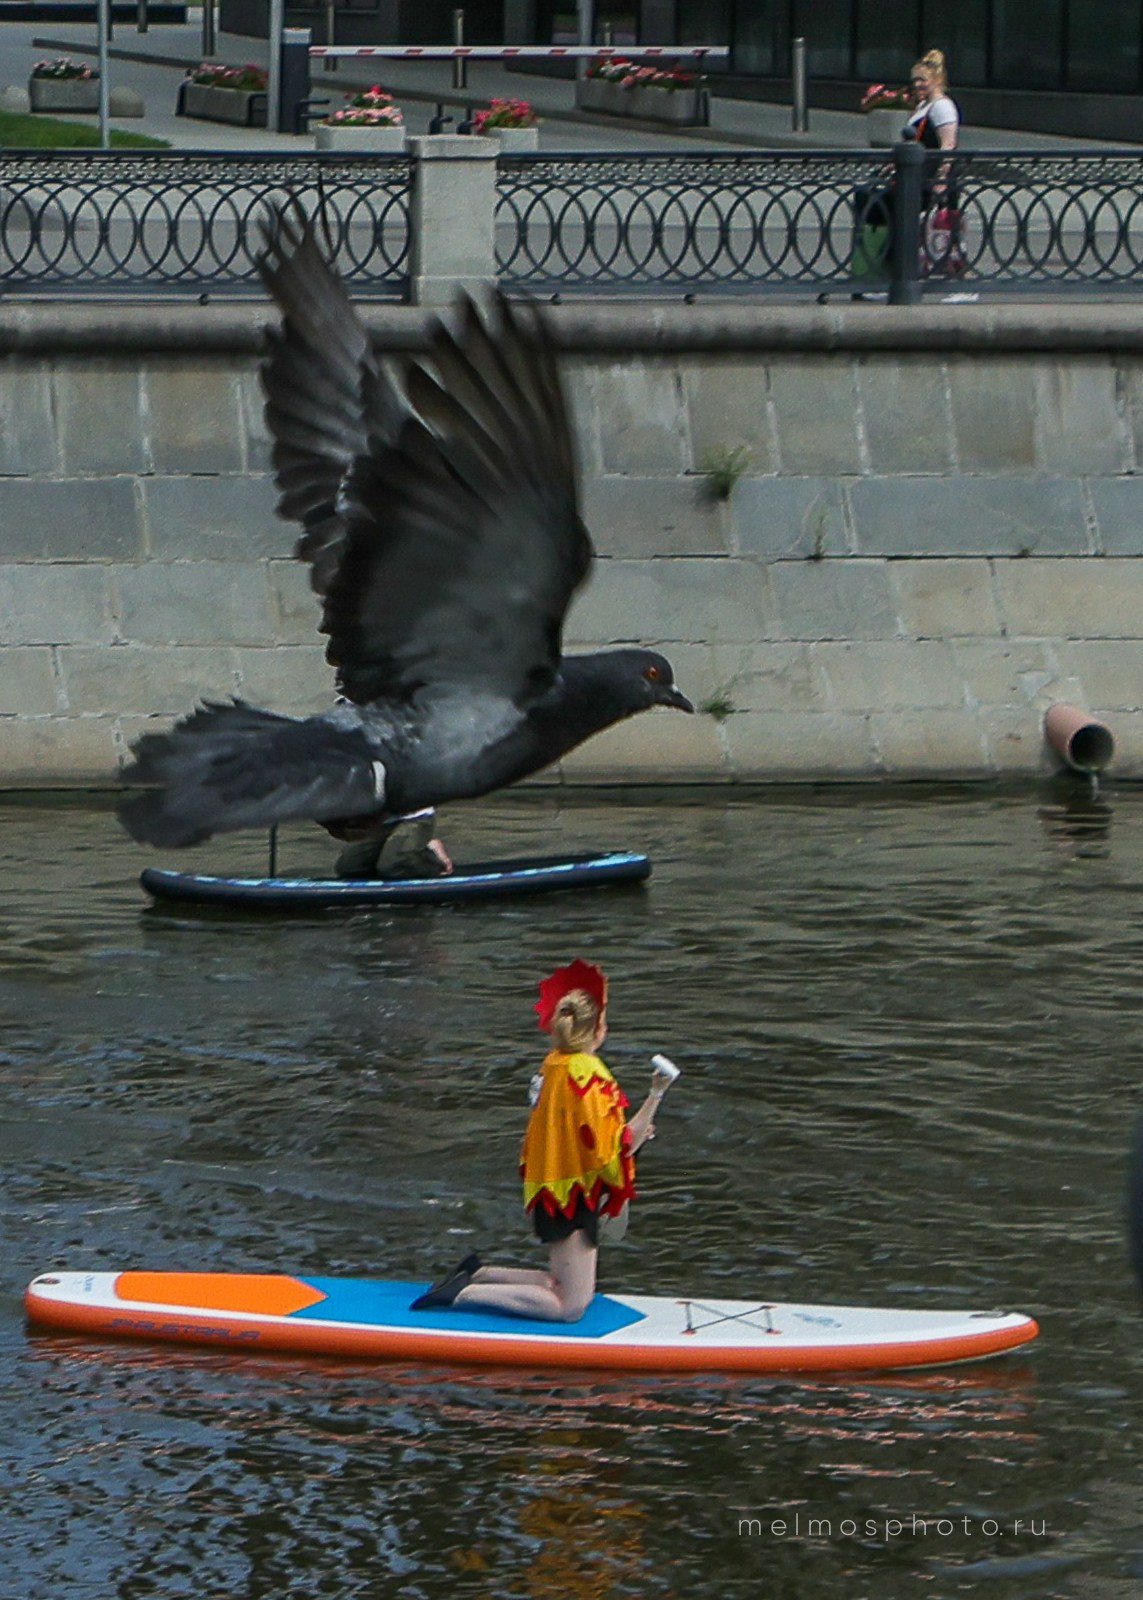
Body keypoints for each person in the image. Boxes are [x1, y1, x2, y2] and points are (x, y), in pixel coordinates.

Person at [411, 958, 676, 1322]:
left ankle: (478, 1273)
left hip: (551, 1185)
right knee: (570, 1306)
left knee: (565, 1285)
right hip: (572, 1194)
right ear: (599, 1030)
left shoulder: (553, 1064)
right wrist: (656, 1094)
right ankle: (465, 1291)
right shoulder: (589, 1079)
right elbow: (618, 1146)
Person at [322, 807, 454, 880]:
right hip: (379, 821)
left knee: (394, 866)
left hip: (414, 816)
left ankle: (432, 856)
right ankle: (397, 849)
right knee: (349, 868)